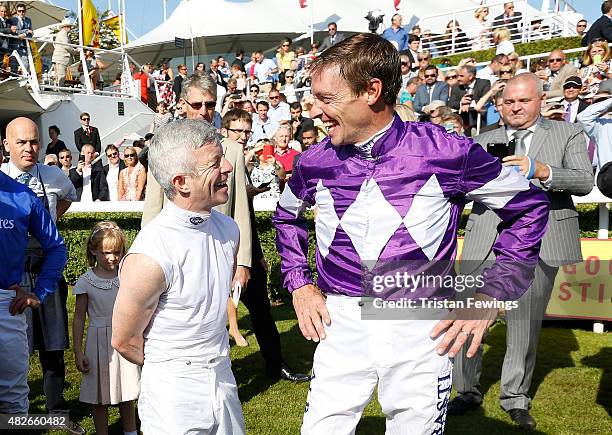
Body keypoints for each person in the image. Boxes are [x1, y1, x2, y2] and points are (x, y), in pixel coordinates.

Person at [273, 33, 549, 434]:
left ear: (372, 91)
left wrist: (493, 294)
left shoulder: (447, 151)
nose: (314, 111)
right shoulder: (312, 162)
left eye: (326, 99)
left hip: (420, 325)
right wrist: (299, 284)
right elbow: (286, 218)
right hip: (340, 320)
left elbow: (529, 208)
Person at [450, 73, 593, 430]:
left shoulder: (567, 132)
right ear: (500, 104)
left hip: (538, 244)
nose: (515, 107)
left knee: (523, 324)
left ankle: (515, 397)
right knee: (467, 315)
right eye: (509, 101)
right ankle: (466, 390)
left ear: (540, 100)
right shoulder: (483, 139)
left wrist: (542, 170)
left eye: (523, 101)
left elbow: (585, 180)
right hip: (484, 241)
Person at [112, 120, 246, 434]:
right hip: (173, 396)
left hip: (223, 379)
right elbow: (124, 339)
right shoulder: (151, 254)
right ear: (181, 182)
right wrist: (175, 369)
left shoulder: (229, 231)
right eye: (215, 163)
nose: (227, 167)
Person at [1, 117, 81, 434]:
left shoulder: (30, 191)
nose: (29, 148)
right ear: (7, 146)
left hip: (13, 294)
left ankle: (56, 412)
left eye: (33, 141)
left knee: (50, 347)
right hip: (16, 281)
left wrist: (41, 289)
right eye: (21, 142)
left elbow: (57, 245)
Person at [0, 171, 66, 416]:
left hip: (6, 306)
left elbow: (56, 247)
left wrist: (39, 291)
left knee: (13, 400)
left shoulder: (23, 197)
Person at [72, 221, 139, 435]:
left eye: (117, 252)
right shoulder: (86, 281)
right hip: (97, 342)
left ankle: (130, 431)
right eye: (106, 252)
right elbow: (79, 318)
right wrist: (78, 351)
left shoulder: (127, 277)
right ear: (93, 251)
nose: (112, 257)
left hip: (123, 338)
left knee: (126, 391)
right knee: (99, 396)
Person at [449, 65, 491, 135]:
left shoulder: (484, 83)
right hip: (463, 120)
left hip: (481, 119)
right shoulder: (456, 87)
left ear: (470, 77)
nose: (458, 79)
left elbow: (487, 99)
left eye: (461, 76)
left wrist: (469, 104)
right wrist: (461, 103)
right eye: (457, 76)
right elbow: (451, 103)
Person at [9, 3, 33, 73]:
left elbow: (31, 33)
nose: (21, 12)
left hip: (24, 46)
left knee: (26, 65)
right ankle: (14, 81)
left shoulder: (28, 20)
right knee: (14, 66)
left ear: (25, 11)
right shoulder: (13, 20)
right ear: (17, 12)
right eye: (19, 11)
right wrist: (26, 31)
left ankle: (24, 80)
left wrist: (25, 34)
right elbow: (14, 31)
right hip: (14, 46)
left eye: (23, 11)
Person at [51, 19, 76, 87]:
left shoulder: (63, 34)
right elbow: (67, 46)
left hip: (61, 58)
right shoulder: (63, 34)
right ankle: (60, 90)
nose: (70, 28)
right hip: (61, 58)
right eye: (69, 26)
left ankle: (59, 89)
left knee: (61, 75)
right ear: (65, 27)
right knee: (61, 75)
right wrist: (75, 51)